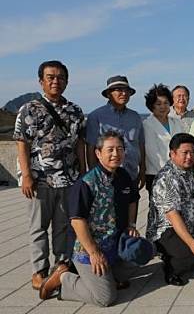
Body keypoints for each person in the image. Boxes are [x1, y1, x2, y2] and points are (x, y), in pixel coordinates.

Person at [39, 131, 140, 305]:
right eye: (110, 150)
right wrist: (94, 252)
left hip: (115, 243)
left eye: (120, 149)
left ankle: (108, 277)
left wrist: (131, 224)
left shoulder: (123, 176)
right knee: (105, 298)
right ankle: (64, 278)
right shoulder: (87, 183)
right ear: (98, 153)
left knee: (142, 251)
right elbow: (77, 220)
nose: (116, 154)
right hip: (88, 249)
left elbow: (133, 200)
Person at [14, 60, 85, 290]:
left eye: (61, 77)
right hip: (39, 179)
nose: (56, 81)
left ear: (67, 81)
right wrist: (26, 176)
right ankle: (39, 270)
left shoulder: (75, 111)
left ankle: (60, 267)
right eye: (50, 77)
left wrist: (82, 174)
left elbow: (79, 145)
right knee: (39, 227)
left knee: (64, 226)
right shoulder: (29, 109)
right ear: (41, 81)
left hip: (68, 179)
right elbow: (22, 143)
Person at [147, 133, 194, 286]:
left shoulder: (186, 171)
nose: (189, 157)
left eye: (192, 153)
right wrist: (191, 243)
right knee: (192, 256)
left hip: (189, 223)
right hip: (167, 230)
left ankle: (181, 251)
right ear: (172, 153)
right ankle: (170, 268)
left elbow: (192, 199)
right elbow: (173, 215)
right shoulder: (167, 178)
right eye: (185, 153)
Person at [86, 75, 145, 188]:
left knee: (132, 205)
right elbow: (90, 147)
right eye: (119, 90)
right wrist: (94, 176)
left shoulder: (135, 117)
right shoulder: (96, 116)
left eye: (126, 90)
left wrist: (142, 171)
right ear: (108, 94)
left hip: (131, 175)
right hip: (106, 177)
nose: (124, 93)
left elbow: (141, 145)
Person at [142, 84, 185, 195]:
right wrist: (169, 173)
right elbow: (152, 153)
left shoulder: (177, 122)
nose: (163, 107)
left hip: (179, 173)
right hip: (157, 174)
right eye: (158, 104)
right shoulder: (147, 125)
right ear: (152, 106)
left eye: (166, 103)